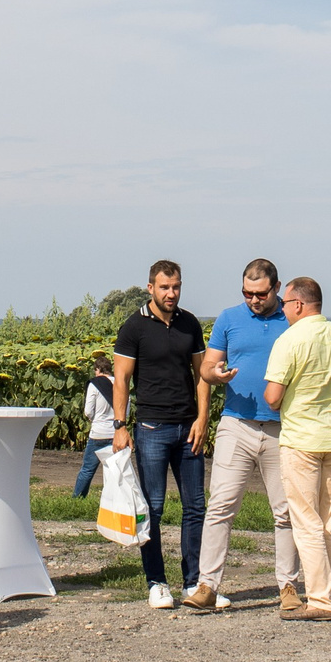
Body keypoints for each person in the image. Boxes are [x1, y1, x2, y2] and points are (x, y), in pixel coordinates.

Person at [190, 258, 301, 612]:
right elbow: (207, 367)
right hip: (236, 425)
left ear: (277, 288)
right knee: (220, 506)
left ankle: (288, 587)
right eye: (247, 293)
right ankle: (207, 585)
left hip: (282, 428)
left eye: (261, 294)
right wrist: (215, 375)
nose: (254, 300)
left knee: (286, 512)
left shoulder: (293, 320)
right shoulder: (228, 319)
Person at [260, 275, 331, 623]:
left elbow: (273, 397)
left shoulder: (289, 340)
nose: (282, 309)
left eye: (285, 303)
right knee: (328, 519)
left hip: (301, 440)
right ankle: (323, 591)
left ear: (297, 304)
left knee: (305, 519)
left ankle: (320, 599)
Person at [111, 259, 208, 610]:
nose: (171, 293)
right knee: (153, 507)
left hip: (188, 428)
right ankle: (156, 582)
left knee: (195, 506)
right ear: (150, 287)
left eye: (176, 286)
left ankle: (193, 582)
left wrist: (202, 419)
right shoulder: (133, 327)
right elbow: (120, 380)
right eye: (165, 287)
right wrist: (120, 426)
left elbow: (202, 375)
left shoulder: (190, 324)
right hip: (151, 428)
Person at [72, 364, 115, 498]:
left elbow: (88, 411)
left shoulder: (95, 384)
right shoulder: (119, 382)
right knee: (114, 470)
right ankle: (112, 501)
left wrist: (94, 419)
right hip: (116, 433)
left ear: (98, 369)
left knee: (87, 470)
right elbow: (125, 410)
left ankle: (77, 499)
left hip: (98, 433)